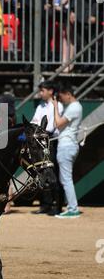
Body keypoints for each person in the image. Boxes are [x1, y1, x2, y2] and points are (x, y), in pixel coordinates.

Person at [50, 82, 83, 218]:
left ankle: (73, 208)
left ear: (68, 94)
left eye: (62, 96)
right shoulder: (75, 106)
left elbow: (57, 123)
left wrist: (56, 108)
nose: (60, 99)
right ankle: (72, 207)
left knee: (66, 180)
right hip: (69, 145)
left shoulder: (74, 107)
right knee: (66, 179)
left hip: (67, 145)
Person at [31, 80, 63, 215]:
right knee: (42, 172)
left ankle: (58, 206)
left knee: (53, 173)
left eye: (43, 90)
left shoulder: (58, 105)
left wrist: (39, 128)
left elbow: (52, 126)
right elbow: (34, 121)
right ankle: (45, 205)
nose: (40, 93)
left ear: (51, 91)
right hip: (41, 140)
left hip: (51, 141)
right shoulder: (40, 106)